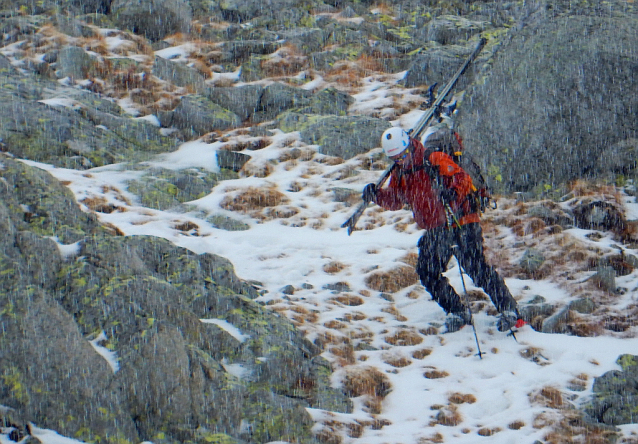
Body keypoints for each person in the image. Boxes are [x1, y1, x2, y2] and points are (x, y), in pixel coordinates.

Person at [362, 125, 522, 333]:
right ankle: (457, 311)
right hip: (436, 227)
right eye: (396, 158)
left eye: (403, 155)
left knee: (476, 269)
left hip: (461, 220)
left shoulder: (434, 158)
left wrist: (453, 194)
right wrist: (376, 195)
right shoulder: (400, 171)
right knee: (427, 271)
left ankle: (510, 310)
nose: (401, 160)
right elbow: (396, 200)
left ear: (409, 146)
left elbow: (463, 179)